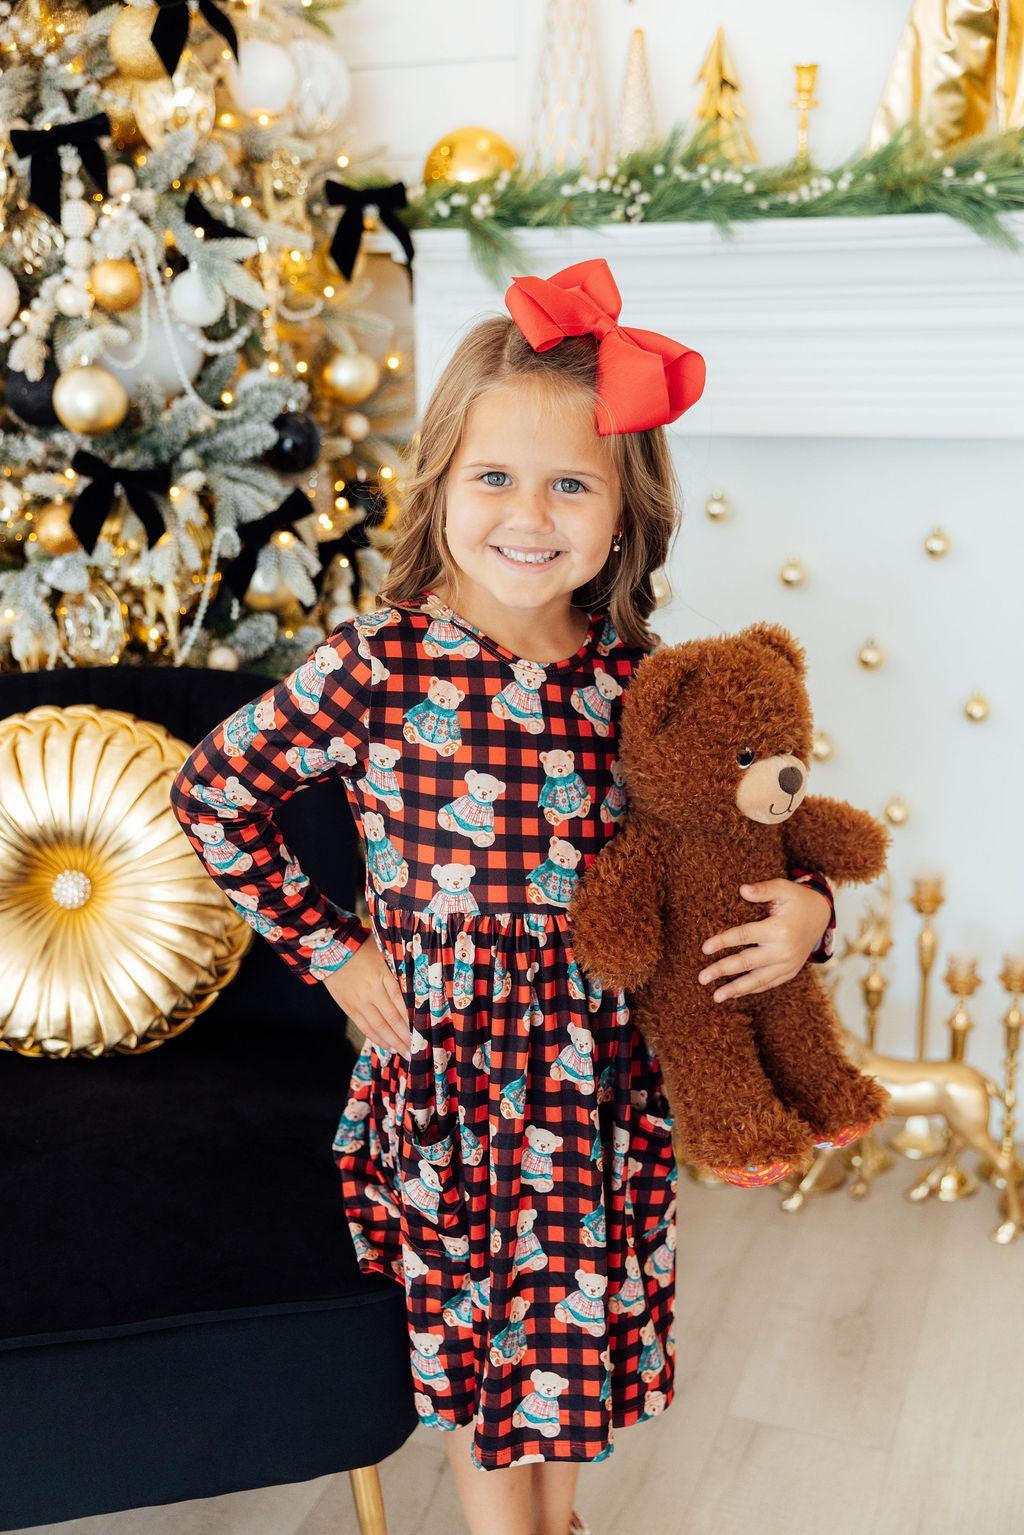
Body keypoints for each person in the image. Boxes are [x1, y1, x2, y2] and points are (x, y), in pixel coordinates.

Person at [168, 257, 837, 1535]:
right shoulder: (379, 663)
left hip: (595, 1069)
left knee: (569, 1339)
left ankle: (557, 1523)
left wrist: (805, 902)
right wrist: (332, 953)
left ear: (622, 512)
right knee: (485, 1351)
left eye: (569, 482)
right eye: (495, 476)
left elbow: (735, 829)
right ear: (442, 484)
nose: (529, 514)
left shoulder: (640, 681)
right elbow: (214, 795)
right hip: (454, 1072)